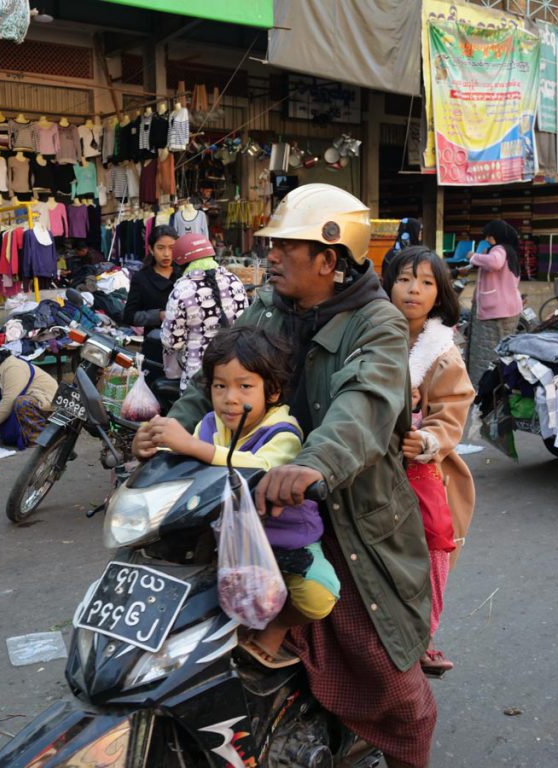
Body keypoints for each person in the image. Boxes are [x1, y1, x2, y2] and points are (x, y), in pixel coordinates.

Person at [136, 184, 435, 768]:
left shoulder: (378, 324)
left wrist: (310, 465)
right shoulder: (268, 307)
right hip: (250, 493)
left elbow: (363, 408)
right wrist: (168, 431)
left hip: (346, 514)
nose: (269, 256)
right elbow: (212, 377)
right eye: (270, 245)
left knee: (389, 679)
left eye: (285, 246)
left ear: (329, 259)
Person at [142, 326, 340, 669]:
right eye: (220, 386)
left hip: (286, 541)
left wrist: (193, 447)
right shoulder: (207, 426)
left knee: (320, 595)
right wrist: (149, 445)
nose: (230, 398)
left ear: (273, 391)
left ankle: (277, 627)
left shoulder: (284, 432)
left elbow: (261, 465)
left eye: (245, 386)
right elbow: (179, 460)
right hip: (223, 541)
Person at [383, 248, 475, 677]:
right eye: (404, 279)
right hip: (367, 461)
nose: (413, 290)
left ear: (438, 295)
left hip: (419, 466)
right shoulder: (369, 333)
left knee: (434, 542)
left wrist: (425, 439)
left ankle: (424, 633)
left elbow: (451, 415)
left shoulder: (443, 354)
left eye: (425, 282)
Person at [161, 233, 248, 392]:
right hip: (236, 374)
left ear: (181, 262)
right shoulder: (235, 282)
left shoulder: (182, 290)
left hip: (198, 379)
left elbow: (172, 342)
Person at [463, 219, 523, 388]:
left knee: (486, 352)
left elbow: (494, 262)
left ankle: (482, 388)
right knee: (502, 349)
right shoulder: (511, 252)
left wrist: (473, 256)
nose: (487, 240)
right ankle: (501, 383)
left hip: (494, 310)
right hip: (509, 308)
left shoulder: (499, 250)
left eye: (489, 237)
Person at [0, 346, 58, 449]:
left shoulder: (13, 368)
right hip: (36, 398)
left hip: (49, 402)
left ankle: (38, 439)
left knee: (22, 403)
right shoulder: (5, 369)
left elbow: (9, 401)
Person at [123, 224, 179, 330]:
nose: (166, 254)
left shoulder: (185, 274)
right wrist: (158, 315)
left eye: (171, 248)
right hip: (155, 341)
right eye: (160, 248)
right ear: (151, 249)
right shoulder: (141, 278)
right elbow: (129, 316)